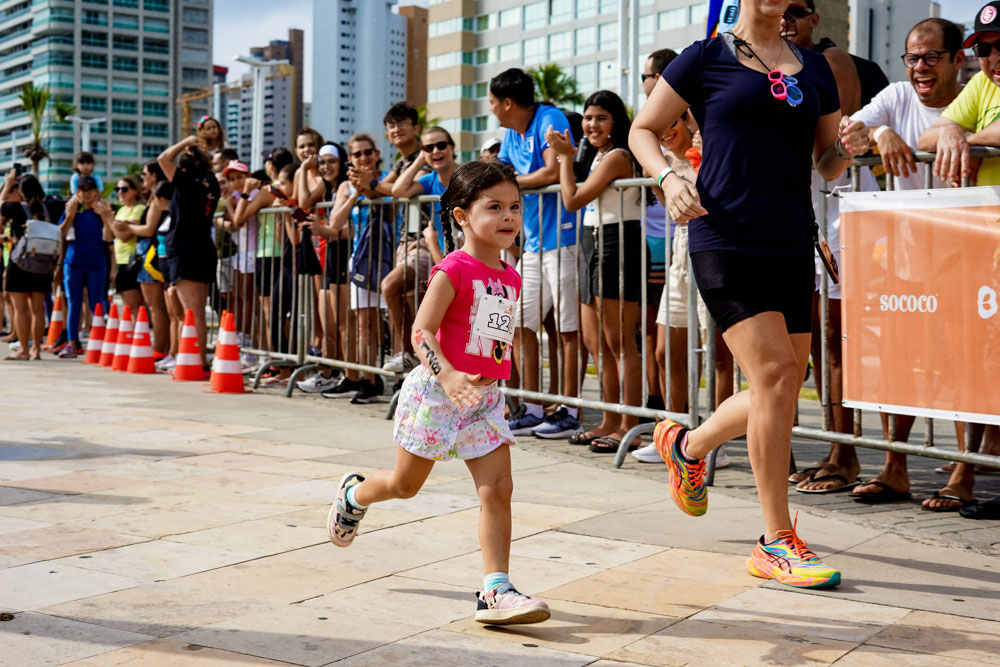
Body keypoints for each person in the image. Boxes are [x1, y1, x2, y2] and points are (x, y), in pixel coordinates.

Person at [630, 0, 870, 588]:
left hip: (791, 240)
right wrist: (667, 175)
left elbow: (826, 162)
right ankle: (775, 540)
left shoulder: (814, 68)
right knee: (776, 377)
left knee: (782, 384)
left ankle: (688, 446)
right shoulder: (703, 57)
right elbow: (641, 130)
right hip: (724, 235)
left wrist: (850, 146)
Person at [327, 160, 550, 626]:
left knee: (499, 489)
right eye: (494, 207)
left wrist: (493, 376)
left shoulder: (510, 275)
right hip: (436, 394)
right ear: (462, 216)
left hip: (483, 401)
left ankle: (495, 589)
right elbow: (421, 331)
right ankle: (355, 495)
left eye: (515, 206)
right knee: (405, 486)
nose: (509, 216)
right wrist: (448, 375)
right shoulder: (453, 269)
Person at [795, 18, 969, 502]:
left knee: (961, 363)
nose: (920, 67)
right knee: (901, 361)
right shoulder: (895, 95)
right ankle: (895, 468)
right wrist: (882, 132)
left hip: (967, 256)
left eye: (932, 57)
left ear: (957, 59)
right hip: (910, 256)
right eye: (913, 57)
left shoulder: (976, 97)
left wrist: (956, 134)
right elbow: (850, 131)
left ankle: (964, 473)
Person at [782, 0, 886, 494]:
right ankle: (836, 446)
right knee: (822, 344)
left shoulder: (830, 59)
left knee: (843, 339)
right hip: (812, 215)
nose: (786, 19)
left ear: (813, 18)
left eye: (796, 9)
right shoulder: (771, 65)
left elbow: (834, 138)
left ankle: (849, 455)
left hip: (847, 212)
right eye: (779, 9)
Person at [917, 1, 1000, 510]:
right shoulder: (983, 86)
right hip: (983, 249)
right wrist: (951, 131)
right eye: (985, 49)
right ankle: (968, 467)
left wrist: (965, 135)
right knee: (974, 359)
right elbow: (928, 135)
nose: (993, 59)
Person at [545, 90, 643, 453]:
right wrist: (571, 158)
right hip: (591, 244)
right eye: (587, 117)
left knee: (620, 344)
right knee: (596, 342)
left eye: (601, 117)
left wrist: (565, 158)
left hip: (617, 245)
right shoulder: (598, 156)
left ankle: (629, 424)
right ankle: (609, 419)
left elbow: (572, 200)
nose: (591, 124)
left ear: (616, 121)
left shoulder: (618, 156)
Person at [490, 67, 581, 439]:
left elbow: (550, 172)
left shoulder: (550, 118)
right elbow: (505, 173)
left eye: (493, 102)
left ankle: (570, 411)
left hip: (564, 239)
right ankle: (532, 408)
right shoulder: (512, 134)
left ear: (508, 103)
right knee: (519, 324)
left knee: (568, 329)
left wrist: (507, 183)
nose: (491, 109)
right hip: (533, 245)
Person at [386, 125, 460, 373]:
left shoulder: (467, 175)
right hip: (441, 257)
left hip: (467, 257)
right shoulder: (429, 180)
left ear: (452, 147)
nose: (436, 151)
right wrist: (421, 159)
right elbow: (398, 190)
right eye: (429, 147)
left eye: (441, 145)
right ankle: (412, 355)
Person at [322, 132, 390, 403]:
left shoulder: (389, 178)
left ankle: (402, 383)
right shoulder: (344, 186)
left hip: (389, 255)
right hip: (362, 257)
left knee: (397, 323)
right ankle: (368, 381)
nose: (363, 157)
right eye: (357, 154)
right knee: (363, 323)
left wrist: (372, 187)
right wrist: (355, 195)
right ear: (350, 159)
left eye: (368, 152)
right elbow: (335, 223)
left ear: (377, 154)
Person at [158, 136, 221, 375]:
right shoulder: (211, 183)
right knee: (197, 313)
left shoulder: (186, 183)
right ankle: (197, 361)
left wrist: (185, 142)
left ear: (183, 168)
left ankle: (197, 363)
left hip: (185, 249)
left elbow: (163, 158)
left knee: (191, 314)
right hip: (204, 248)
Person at [298, 143, 351, 394]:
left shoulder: (346, 186)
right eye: (322, 162)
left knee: (342, 323)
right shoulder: (328, 187)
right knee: (328, 321)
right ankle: (329, 372)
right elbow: (303, 202)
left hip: (343, 252)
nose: (326, 166)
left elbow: (349, 228)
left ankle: (350, 375)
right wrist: (302, 169)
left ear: (342, 162)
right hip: (330, 253)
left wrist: (327, 230)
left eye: (331, 161)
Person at [1, 174, 60, 360]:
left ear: (21, 191)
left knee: (20, 309)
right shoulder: (49, 207)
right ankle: (36, 350)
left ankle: (24, 350)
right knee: (37, 309)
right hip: (42, 264)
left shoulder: (17, 208)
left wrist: (8, 183)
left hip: (20, 263)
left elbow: (1, 205)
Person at [118, 163, 171, 363]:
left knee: (157, 307)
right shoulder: (155, 197)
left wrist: (127, 227)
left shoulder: (158, 197)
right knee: (159, 307)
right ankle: (165, 349)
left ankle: (160, 350)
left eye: (145, 174)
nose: (142, 178)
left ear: (154, 176)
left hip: (152, 253)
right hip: (154, 252)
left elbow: (148, 229)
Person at [58, 176, 111, 358]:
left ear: (96, 192)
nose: (86, 194)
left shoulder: (101, 211)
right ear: (77, 192)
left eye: (90, 190)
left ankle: (101, 344)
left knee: (96, 304)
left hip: (96, 264)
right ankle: (72, 343)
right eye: (82, 190)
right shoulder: (71, 210)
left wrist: (106, 217)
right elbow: (60, 234)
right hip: (73, 264)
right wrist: (71, 214)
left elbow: (109, 238)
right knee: (74, 303)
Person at [105, 176, 145, 320]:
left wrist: (108, 218)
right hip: (121, 261)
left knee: (134, 306)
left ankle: (138, 333)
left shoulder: (139, 208)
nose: (120, 192)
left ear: (135, 191)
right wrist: (107, 219)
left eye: (124, 189)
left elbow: (124, 236)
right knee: (128, 307)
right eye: (118, 189)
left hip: (133, 261)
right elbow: (110, 237)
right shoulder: (121, 210)